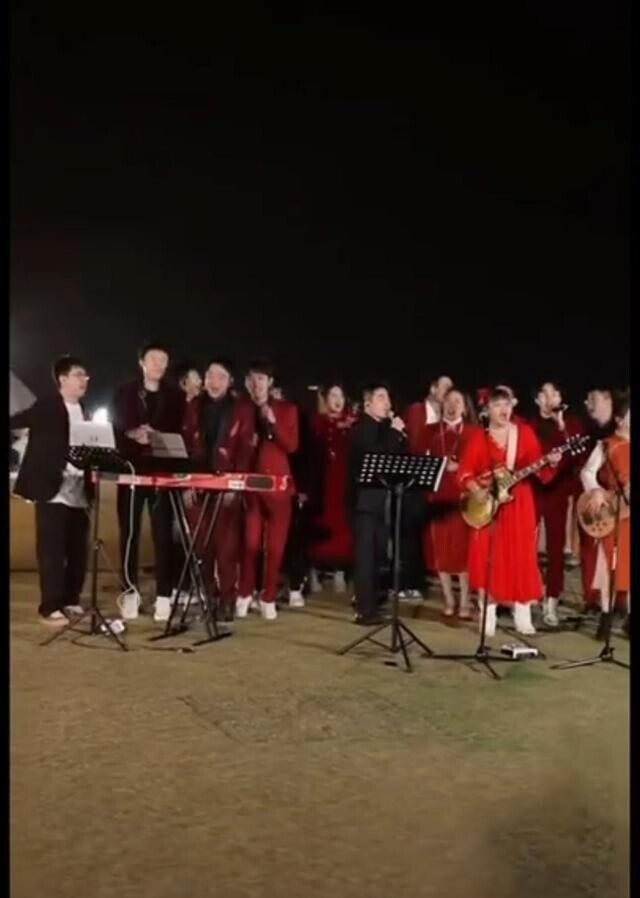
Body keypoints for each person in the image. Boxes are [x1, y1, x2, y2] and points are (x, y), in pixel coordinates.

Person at [457, 386, 562, 636]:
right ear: (487, 410)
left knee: (521, 556)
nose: (503, 410)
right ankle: (488, 614)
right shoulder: (479, 437)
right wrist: (476, 489)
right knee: (487, 555)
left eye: (507, 404)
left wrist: (551, 462)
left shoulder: (523, 433)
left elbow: (541, 472)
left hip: (519, 504)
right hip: (488, 507)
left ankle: (522, 614)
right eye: (497, 405)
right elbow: (464, 473)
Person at [10, 356, 92, 625]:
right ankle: (50, 606)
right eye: (78, 375)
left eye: (85, 375)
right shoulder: (47, 406)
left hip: (79, 489)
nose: (84, 380)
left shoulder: (85, 410)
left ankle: (71, 599)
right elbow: (19, 420)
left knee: (77, 549)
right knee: (51, 550)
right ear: (62, 379)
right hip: (51, 487)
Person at [112, 341, 186, 621]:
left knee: (163, 535)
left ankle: (164, 596)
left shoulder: (175, 396)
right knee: (129, 532)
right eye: (154, 359)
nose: (158, 364)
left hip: (162, 471)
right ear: (142, 362)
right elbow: (116, 427)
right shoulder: (125, 392)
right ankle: (130, 592)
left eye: (163, 360)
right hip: (131, 469)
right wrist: (132, 434)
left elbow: (180, 432)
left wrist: (157, 436)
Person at [235, 359, 299, 621]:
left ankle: (269, 596)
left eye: (261, 379)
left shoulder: (286, 409)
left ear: (270, 382)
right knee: (250, 543)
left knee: (275, 547)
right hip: (250, 487)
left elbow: (292, 446)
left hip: (278, 488)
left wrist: (273, 424)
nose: (257, 384)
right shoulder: (242, 409)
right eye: (252, 379)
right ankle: (245, 592)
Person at [182, 358, 243, 621]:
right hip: (197, 485)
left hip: (227, 485)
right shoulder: (194, 406)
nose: (214, 381)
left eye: (221, 376)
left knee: (226, 547)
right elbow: (185, 446)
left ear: (230, 381)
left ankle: (228, 600)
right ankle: (209, 596)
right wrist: (187, 482)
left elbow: (245, 449)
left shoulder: (240, 409)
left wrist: (235, 484)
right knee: (201, 546)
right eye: (210, 375)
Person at [416, 389, 481, 620]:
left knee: (463, 551)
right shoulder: (430, 431)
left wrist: (461, 467)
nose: (452, 405)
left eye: (457, 401)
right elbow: (419, 460)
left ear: (464, 406)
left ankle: (464, 600)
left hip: (464, 498)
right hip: (438, 497)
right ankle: (448, 599)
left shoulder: (474, 432)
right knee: (441, 551)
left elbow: (480, 463)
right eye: (449, 401)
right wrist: (443, 466)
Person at [348, 382, 407, 625]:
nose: (388, 403)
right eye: (381, 398)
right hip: (364, 501)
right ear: (368, 404)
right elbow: (377, 457)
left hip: (379, 501)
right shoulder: (363, 428)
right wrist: (394, 433)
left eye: (388, 398)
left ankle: (372, 603)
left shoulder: (381, 428)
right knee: (365, 556)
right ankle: (364, 609)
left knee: (377, 554)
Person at [530, 381, 584, 626]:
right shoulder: (529, 425)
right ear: (537, 399)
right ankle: (526, 596)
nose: (550, 398)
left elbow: (578, 457)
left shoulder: (570, 424)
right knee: (527, 545)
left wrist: (561, 425)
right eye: (545, 394)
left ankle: (551, 601)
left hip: (558, 492)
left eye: (555, 394)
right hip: (532, 490)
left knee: (556, 548)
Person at [580, 390, 630, 639]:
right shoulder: (606, 444)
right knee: (609, 565)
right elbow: (587, 472)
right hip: (613, 513)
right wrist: (596, 491)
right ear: (619, 419)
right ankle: (606, 616)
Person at [308, 381, 356, 593]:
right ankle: (313, 572)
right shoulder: (316, 423)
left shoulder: (352, 425)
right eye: (333, 395)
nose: (338, 400)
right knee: (318, 526)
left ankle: (340, 571)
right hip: (321, 483)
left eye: (341, 396)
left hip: (343, 483)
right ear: (325, 399)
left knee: (342, 529)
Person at [578, 387, 615, 612]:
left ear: (608, 399)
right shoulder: (590, 432)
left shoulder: (618, 431)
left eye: (593, 398)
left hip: (619, 500)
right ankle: (595, 600)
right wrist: (595, 490)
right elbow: (586, 471)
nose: (587, 403)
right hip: (596, 502)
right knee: (592, 550)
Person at [405, 374, 453, 451]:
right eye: (446, 387)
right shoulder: (417, 410)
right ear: (433, 389)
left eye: (451, 389)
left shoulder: (446, 417)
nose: (450, 392)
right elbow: (414, 444)